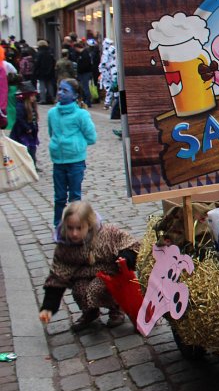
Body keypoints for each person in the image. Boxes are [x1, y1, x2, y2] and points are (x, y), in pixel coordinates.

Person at [38, 201, 139, 332]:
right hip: (84, 275)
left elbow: (129, 242)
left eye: (79, 228)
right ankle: (90, 312)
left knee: (97, 288)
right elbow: (58, 274)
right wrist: (48, 306)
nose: (74, 233)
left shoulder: (107, 234)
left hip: (110, 273)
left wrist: (126, 256)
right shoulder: (65, 246)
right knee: (79, 290)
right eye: (70, 228)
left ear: (89, 225)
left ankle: (116, 308)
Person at [49, 79, 96, 227]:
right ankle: (58, 226)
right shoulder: (52, 113)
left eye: (65, 90)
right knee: (59, 197)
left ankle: (76, 225)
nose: (60, 93)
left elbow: (91, 137)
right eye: (59, 89)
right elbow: (51, 132)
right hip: (58, 161)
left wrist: (76, 144)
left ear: (75, 95)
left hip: (75, 162)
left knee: (75, 197)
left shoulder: (81, 115)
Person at [11, 80, 40, 169]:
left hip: (32, 133)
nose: (34, 98)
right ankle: (26, 166)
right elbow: (20, 119)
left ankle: (33, 165)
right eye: (32, 96)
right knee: (25, 150)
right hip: (23, 133)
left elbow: (34, 119)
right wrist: (27, 128)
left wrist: (34, 128)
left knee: (33, 149)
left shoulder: (32, 106)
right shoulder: (21, 106)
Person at [98, 36, 118, 110]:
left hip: (108, 72)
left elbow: (104, 63)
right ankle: (114, 102)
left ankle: (108, 103)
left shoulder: (106, 52)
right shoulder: (114, 51)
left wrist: (102, 71)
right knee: (114, 87)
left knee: (109, 88)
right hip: (112, 71)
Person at [74, 39, 95, 105]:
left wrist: (80, 70)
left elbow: (86, 64)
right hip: (83, 73)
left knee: (85, 87)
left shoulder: (84, 54)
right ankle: (86, 101)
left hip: (85, 73)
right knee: (84, 87)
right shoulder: (82, 53)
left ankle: (88, 101)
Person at [34, 40, 56, 104]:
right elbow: (53, 62)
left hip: (41, 72)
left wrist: (35, 71)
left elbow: (37, 63)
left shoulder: (39, 53)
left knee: (42, 86)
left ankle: (43, 99)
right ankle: (52, 98)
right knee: (50, 85)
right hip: (50, 72)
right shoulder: (50, 53)